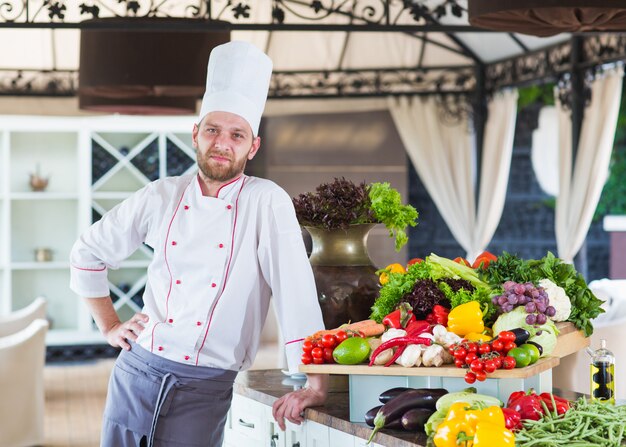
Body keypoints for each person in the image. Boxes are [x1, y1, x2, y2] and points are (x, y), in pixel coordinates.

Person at [69, 41, 328, 447]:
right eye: (212, 130)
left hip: (205, 386)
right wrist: (110, 325)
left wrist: (316, 382)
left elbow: (295, 291)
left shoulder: (266, 200)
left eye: (236, 134)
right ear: (196, 134)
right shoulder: (162, 194)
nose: (222, 143)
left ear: (253, 146)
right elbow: (87, 252)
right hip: (136, 372)